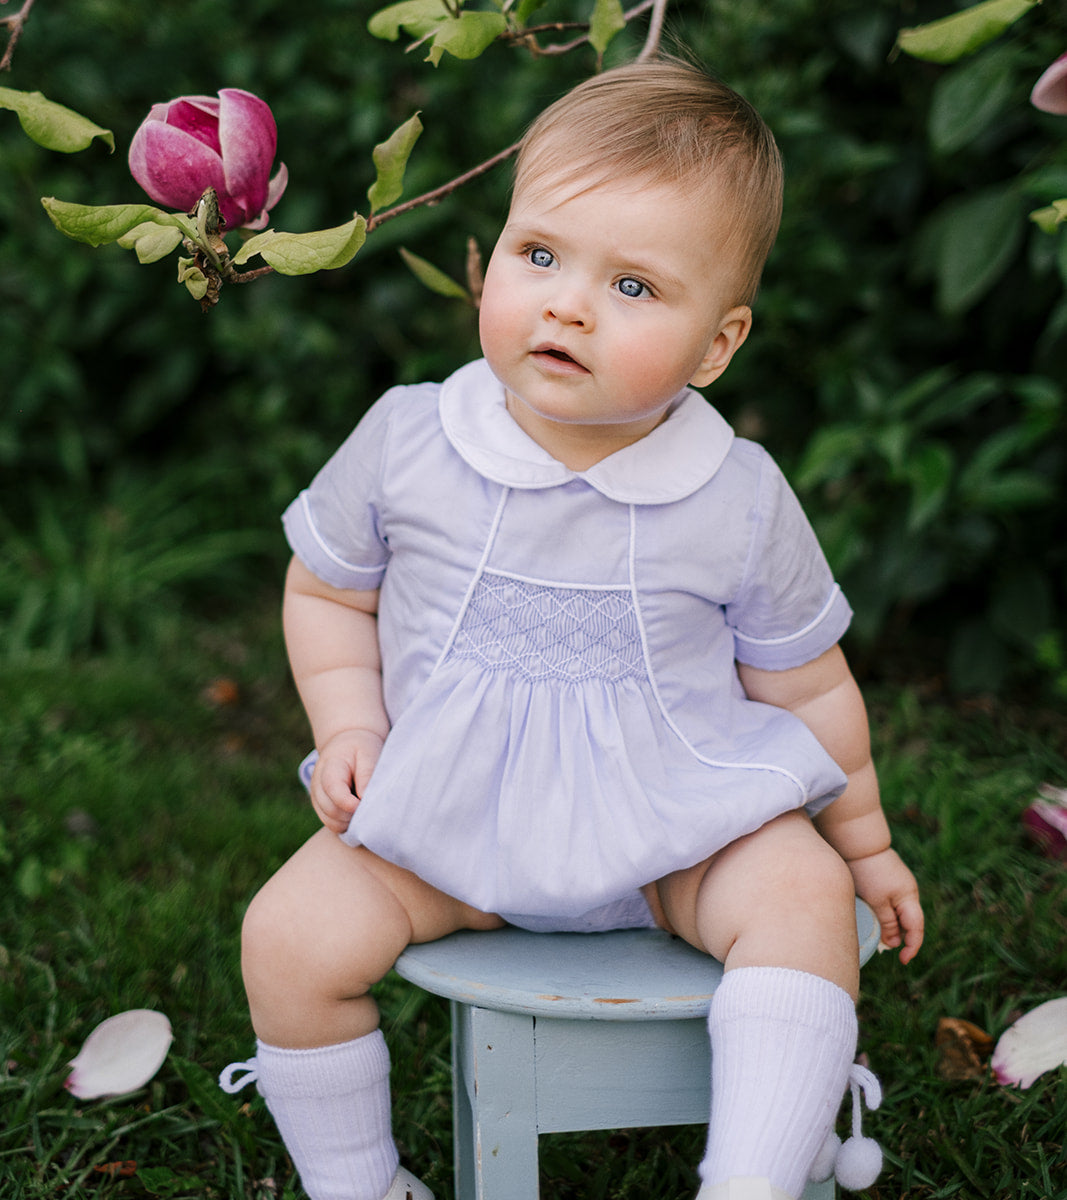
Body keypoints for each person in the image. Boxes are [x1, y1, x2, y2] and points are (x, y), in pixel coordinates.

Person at [223, 59, 924, 1200]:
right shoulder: (411, 440)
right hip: (447, 830)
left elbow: (807, 685)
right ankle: (355, 1184)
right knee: (287, 935)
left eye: (635, 286)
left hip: (676, 840)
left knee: (799, 898)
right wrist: (350, 721)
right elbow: (326, 590)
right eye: (539, 255)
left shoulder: (735, 496)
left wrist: (865, 840)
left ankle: (748, 1181)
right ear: (493, 253)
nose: (566, 303)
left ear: (716, 344)